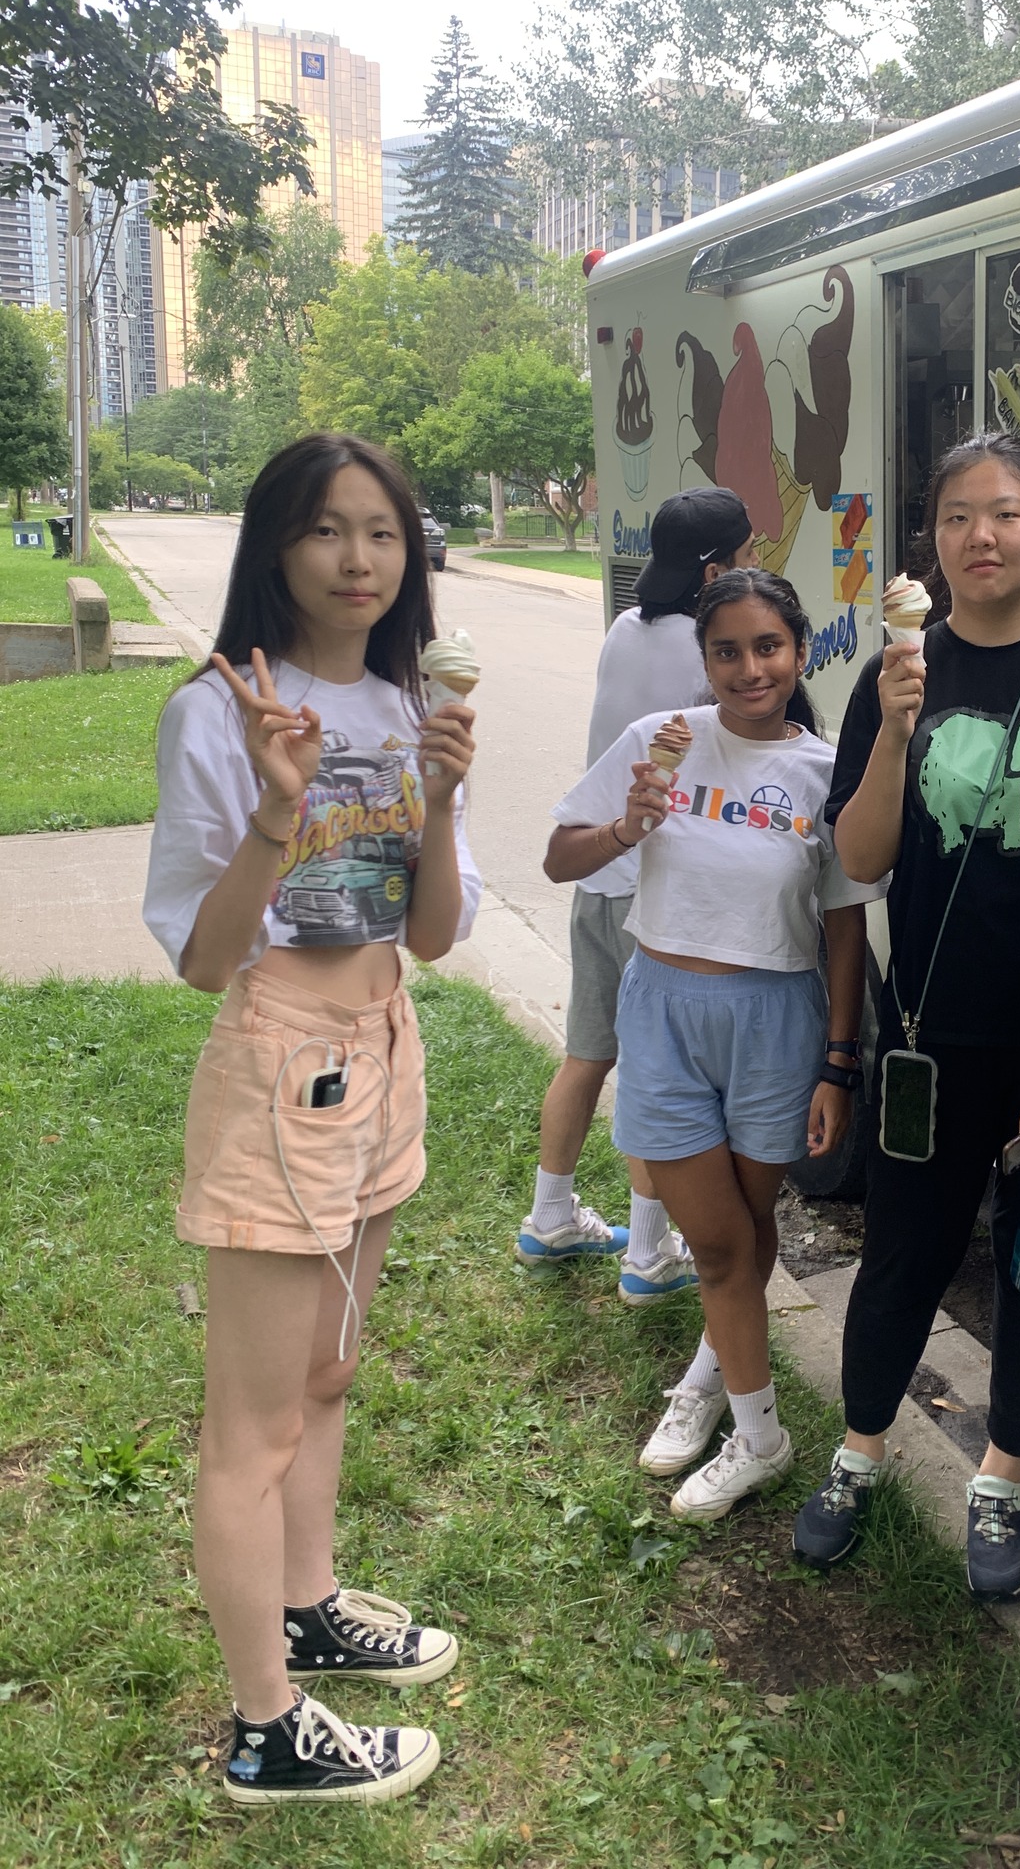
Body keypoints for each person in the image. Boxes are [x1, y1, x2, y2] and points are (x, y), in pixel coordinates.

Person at [143, 435, 482, 1807]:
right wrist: (279, 816)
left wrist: (445, 800)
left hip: (384, 1039)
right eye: (330, 531)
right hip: (279, 1055)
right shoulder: (222, 709)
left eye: (385, 533)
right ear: (275, 545)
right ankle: (265, 1726)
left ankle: (307, 1598)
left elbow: (441, 935)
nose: (359, 560)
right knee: (252, 1427)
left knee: (328, 1377)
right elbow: (204, 960)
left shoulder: (406, 705)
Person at [793, 432, 1020, 1589]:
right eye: (956, 516)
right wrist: (897, 729)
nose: (980, 536)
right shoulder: (898, 670)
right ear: (932, 540)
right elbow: (859, 854)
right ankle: (857, 1453)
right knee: (905, 1248)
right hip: (929, 1042)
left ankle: (1000, 1480)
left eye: (1004, 512)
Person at [544, 568, 880, 1521]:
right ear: (703, 661)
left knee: (745, 1226)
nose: (748, 668)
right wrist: (626, 822)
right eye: (725, 651)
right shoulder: (659, 745)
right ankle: (761, 1432)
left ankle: (710, 1379)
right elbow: (560, 856)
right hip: (663, 1009)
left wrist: (839, 1063)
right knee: (718, 1238)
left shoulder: (822, 773)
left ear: (800, 652)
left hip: (777, 1021)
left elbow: (846, 927)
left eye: (766, 647)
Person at [517, 488, 759, 1301]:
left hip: (598, 878)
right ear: (720, 568)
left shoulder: (625, 629)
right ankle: (649, 1252)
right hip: (650, 897)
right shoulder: (707, 652)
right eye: (749, 554)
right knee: (661, 1078)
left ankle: (550, 1215)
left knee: (588, 1052)